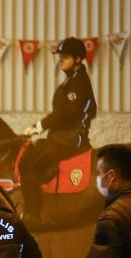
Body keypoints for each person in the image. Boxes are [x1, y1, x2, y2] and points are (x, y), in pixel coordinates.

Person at [18, 37, 97, 222]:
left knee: (27, 164)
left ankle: (33, 216)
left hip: (69, 140)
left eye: (66, 56)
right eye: (60, 55)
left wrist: (38, 126)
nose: (61, 59)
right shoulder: (71, 81)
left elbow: (64, 114)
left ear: (78, 59)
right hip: (60, 136)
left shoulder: (78, 84)